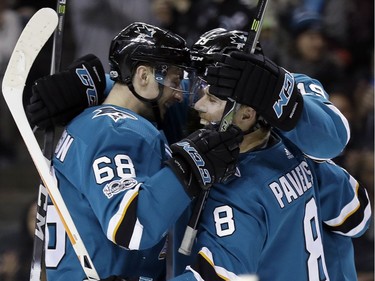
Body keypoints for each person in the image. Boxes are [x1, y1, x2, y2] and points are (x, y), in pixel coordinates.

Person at [40, 22, 242, 281]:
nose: (179, 96)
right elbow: (131, 225)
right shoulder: (114, 130)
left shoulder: (99, 122)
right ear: (143, 76)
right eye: (174, 81)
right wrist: (189, 167)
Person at [166, 30, 372, 280]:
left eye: (211, 95)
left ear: (247, 111)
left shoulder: (238, 188)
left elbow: (333, 138)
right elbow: (356, 213)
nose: (197, 103)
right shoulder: (295, 153)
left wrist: (279, 97)